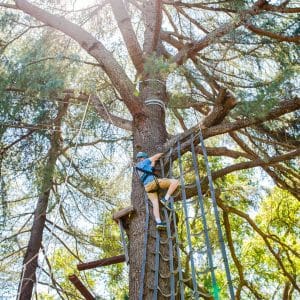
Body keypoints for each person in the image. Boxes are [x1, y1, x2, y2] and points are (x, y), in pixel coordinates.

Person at [135, 151, 179, 230]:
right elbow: (155, 156)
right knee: (175, 182)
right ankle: (165, 199)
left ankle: (159, 223)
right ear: (143, 158)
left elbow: (150, 169)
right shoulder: (144, 161)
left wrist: (153, 162)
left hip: (147, 188)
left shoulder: (138, 167)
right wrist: (162, 152)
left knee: (155, 204)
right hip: (153, 183)